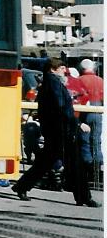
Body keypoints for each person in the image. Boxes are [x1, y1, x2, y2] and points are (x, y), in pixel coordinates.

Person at [12, 58, 95, 206]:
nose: (65, 71)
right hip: (61, 131)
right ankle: (83, 197)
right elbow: (61, 107)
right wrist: (78, 123)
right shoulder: (54, 84)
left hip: (56, 130)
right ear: (53, 69)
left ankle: (22, 186)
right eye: (62, 68)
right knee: (75, 163)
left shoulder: (49, 83)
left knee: (46, 162)